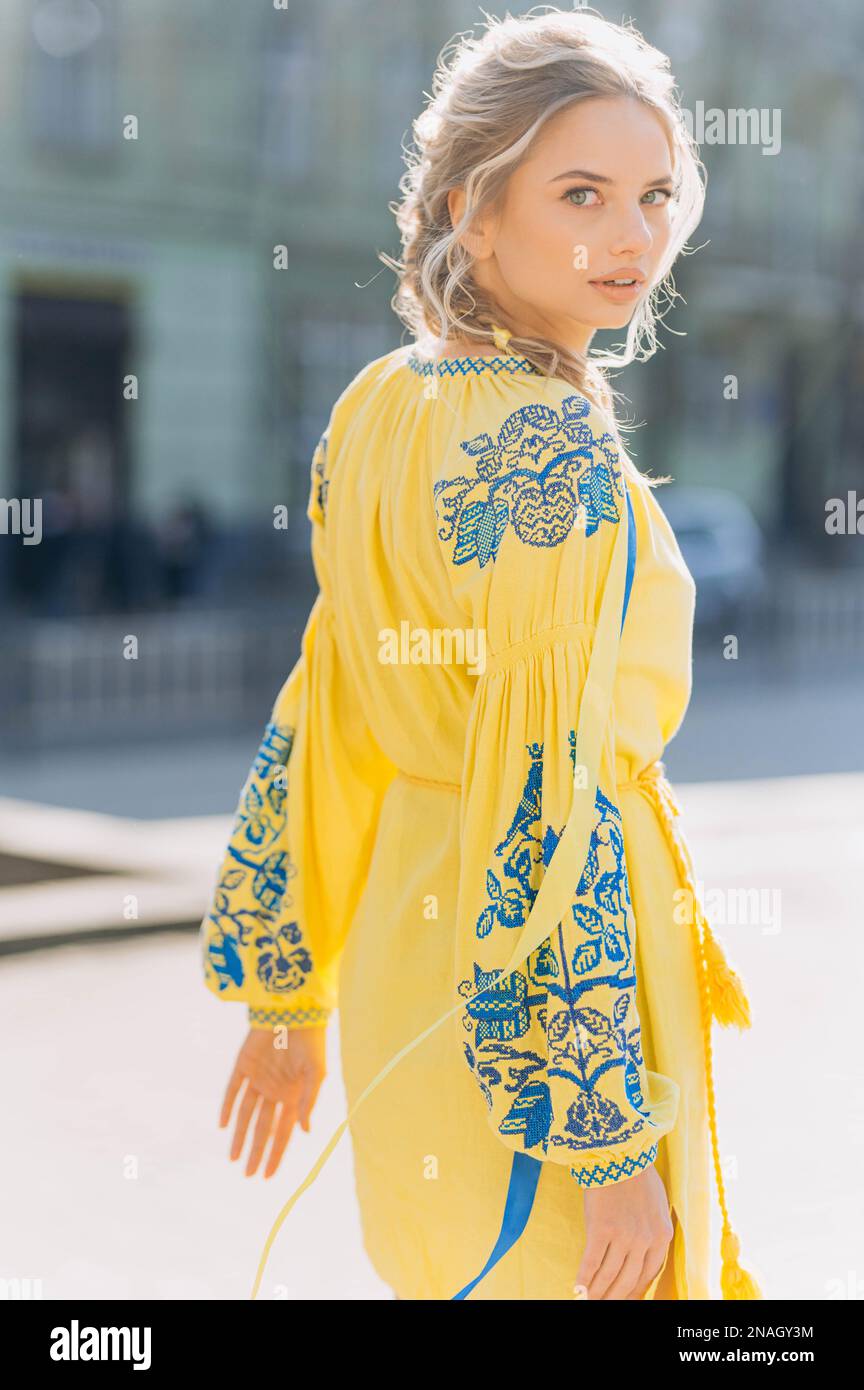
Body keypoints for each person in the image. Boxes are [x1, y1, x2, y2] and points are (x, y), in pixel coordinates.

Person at [199, 7, 762, 1301]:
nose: (634, 237)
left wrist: (289, 990)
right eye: (582, 193)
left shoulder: (375, 404)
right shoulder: (553, 455)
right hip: (536, 1042)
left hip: (408, 960)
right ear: (474, 209)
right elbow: (547, 795)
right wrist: (608, 1136)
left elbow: (325, 712)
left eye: (656, 195)